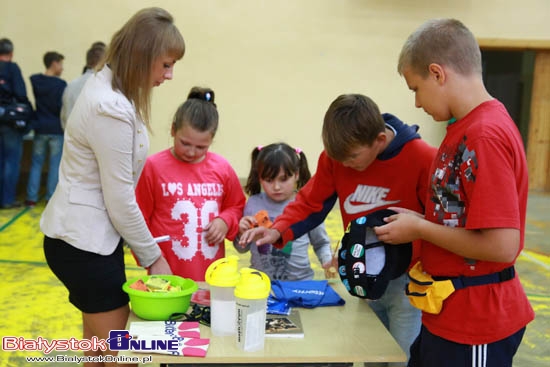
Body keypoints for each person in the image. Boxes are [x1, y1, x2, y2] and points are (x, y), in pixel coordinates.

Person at [373, 18, 535, 367]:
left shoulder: (484, 135)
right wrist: (423, 218)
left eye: (415, 88)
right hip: (447, 313)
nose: (416, 103)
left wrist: (420, 230)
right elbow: (463, 215)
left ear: (437, 73)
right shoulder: (463, 129)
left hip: (477, 321)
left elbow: (502, 244)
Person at [240, 94, 437, 366]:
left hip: (407, 284)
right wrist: (277, 231)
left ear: (379, 141)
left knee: (402, 357)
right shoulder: (338, 157)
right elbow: (311, 202)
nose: (345, 165)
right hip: (362, 281)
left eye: (353, 157)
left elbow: (440, 222)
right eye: (338, 159)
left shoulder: (422, 158)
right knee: (372, 356)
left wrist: (419, 231)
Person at [40, 7, 185, 366]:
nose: (169, 75)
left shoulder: (107, 86)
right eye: (166, 64)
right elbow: (120, 199)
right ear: (142, 56)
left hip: (82, 241)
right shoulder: (110, 107)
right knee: (119, 355)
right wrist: (154, 258)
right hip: (84, 245)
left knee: (99, 352)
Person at [135, 86, 245, 281]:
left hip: (212, 280)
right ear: (172, 130)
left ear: (212, 140)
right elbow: (138, 219)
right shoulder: (153, 167)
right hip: (166, 275)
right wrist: (151, 259)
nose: (192, 152)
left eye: (201, 147)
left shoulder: (222, 168)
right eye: (185, 143)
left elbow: (236, 206)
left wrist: (225, 220)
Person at [235, 143, 332, 280]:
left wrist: (327, 262)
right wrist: (241, 233)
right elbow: (241, 249)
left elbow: (321, 243)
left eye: (283, 179)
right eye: (269, 180)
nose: (276, 187)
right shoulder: (253, 203)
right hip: (260, 285)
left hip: (299, 285)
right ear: (260, 178)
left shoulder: (306, 206)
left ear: (296, 174)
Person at [25, 51, 67, 207]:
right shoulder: (61, 85)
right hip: (56, 129)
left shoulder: (36, 81)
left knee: (36, 163)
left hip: (40, 128)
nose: (62, 68)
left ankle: (31, 198)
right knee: (54, 164)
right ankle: (50, 197)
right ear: (54, 63)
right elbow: (60, 107)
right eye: (61, 64)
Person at [0, 38, 32, 209]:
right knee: (11, 162)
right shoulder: (12, 68)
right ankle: (7, 199)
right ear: (11, 53)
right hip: (10, 123)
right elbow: (21, 93)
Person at [60, 43, 106, 129]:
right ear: (102, 62)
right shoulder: (104, 85)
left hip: (71, 138)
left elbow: (64, 117)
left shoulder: (70, 86)